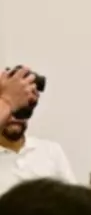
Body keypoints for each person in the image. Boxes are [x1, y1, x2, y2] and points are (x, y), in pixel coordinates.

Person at [0, 66, 74, 196]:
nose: (14, 117)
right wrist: (7, 100)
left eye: (22, 110)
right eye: (10, 111)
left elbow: (75, 201)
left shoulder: (51, 151)